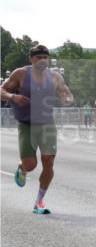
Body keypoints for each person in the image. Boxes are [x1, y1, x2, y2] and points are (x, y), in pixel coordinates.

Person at [0, 44, 75, 214]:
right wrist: (13, 96)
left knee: (49, 162)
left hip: (47, 124)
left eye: (45, 57)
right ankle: (22, 168)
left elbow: (65, 92)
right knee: (31, 164)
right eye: (38, 57)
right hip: (26, 125)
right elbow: (1, 90)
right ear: (31, 59)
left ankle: (39, 201)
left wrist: (67, 99)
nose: (42, 60)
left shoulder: (55, 76)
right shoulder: (20, 74)